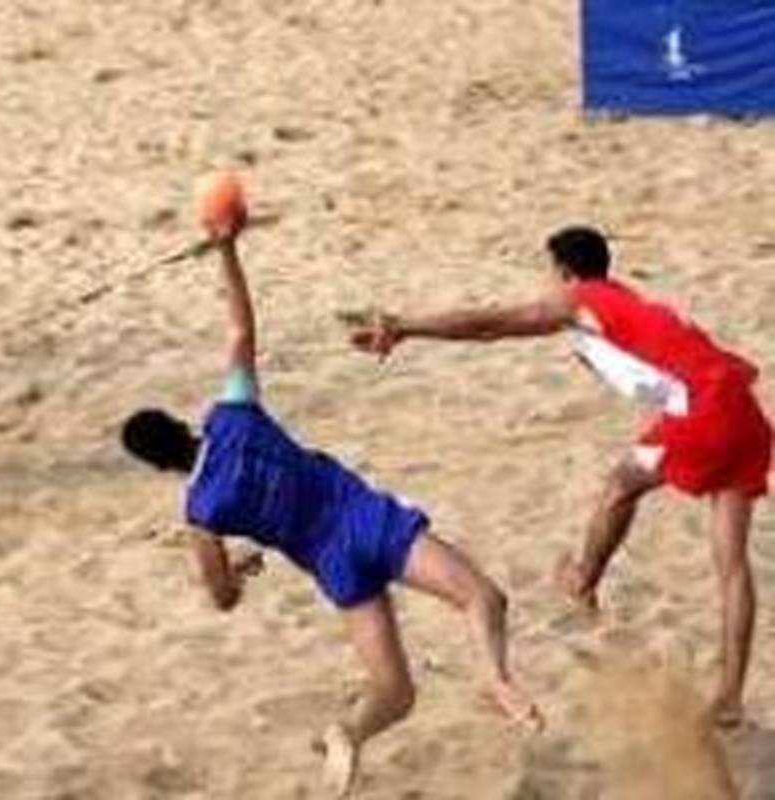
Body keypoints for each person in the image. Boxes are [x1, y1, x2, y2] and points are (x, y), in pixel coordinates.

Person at [120, 217, 540, 798]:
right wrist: (227, 251)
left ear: (156, 465)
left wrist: (237, 568)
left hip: (332, 564)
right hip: (367, 520)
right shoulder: (233, 417)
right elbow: (241, 327)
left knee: (395, 693)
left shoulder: (200, 513)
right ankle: (496, 679)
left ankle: (349, 732)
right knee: (483, 598)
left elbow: (222, 598)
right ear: (177, 423)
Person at [351, 225, 771, 728]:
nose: (546, 285)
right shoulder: (618, 300)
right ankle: (729, 695)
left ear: (566, 273)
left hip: (703, 409)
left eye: (548, 273)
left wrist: (405, 326)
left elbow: (490, 323)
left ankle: (582, 579)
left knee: (620, 487)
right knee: (732, 565)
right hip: (741, 406)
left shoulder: (580, 300)